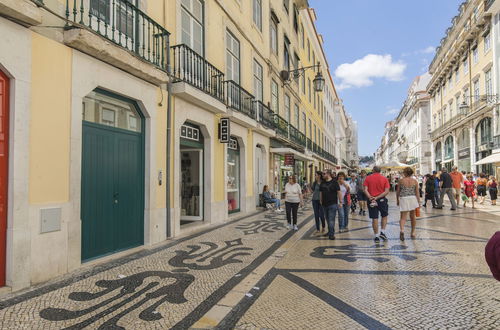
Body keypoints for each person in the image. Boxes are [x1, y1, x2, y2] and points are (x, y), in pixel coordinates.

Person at [363, 166, 390, 243]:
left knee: (374, 218)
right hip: (381, 200)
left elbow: (365, 190)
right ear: (380, 171)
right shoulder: (384, 179)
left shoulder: (368, 178)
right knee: (384, 216)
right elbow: (386, 191)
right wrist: (377, 197)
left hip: (371, 200)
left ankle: (376, 236)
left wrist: (370, 197)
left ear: (373, 170)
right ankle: (383, 232)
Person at [396, 167, 420, 241]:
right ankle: (413, 232)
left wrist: (397, 200)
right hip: (412, 199)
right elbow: (417, 192)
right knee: (412, 217)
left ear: (405, 173)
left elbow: (398, 192)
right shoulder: (415, 181)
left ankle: (402, 230)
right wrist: (418, 202)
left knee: (403, 217)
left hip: (404, 198)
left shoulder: (401, 181)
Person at [320, 170, 343, 240]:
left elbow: (339, 192)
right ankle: (330, 231)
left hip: (332, 204)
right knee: (327, 219)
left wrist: (341, 202)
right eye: (322, 174)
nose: (323, 175)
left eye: (324, 174)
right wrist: (320, 201)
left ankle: (331, 234)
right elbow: (320, 192)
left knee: (331, 220)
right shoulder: (322, 183)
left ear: (328, 174)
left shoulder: (334, 182)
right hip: (324, 204)